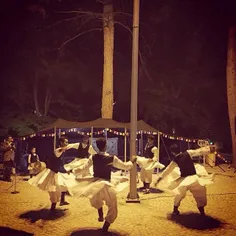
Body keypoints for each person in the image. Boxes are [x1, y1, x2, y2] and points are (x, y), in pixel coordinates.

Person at [69, 137, 135, 232]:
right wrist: (132, 162)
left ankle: (100, 215)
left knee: (96, 199)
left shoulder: (93, 157)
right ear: (106, 146)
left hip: (95, 183)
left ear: (97, 146)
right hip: (106, 184)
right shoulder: (112, 158)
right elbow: (124, 166)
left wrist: (73, 170)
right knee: (112, 205)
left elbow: (84, 168)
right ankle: (105, 226)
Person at [154, 144, 218, 216]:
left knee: (179, 194)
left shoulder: (175, 160)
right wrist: (209, 149)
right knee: (200, 193)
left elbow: (167, 171)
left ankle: (175, 210)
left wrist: (159, 179)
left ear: (172, 152)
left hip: (184, 180)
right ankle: (202, 212)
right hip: (194, 178)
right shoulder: (188, 152)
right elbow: (199, 151)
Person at [28, 136, 79, 211]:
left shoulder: (61, 151)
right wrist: (76, 145)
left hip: (58, 171)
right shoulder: (58, 150)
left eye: (67, 142)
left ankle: (62, 200)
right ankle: (53, 208)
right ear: (61, 142)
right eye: (65, 142)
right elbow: (62, 150)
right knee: (54, 190)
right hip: (53, 173)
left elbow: (60, 162)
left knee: (64, 186)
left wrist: (66, 169)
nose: (67, 143)